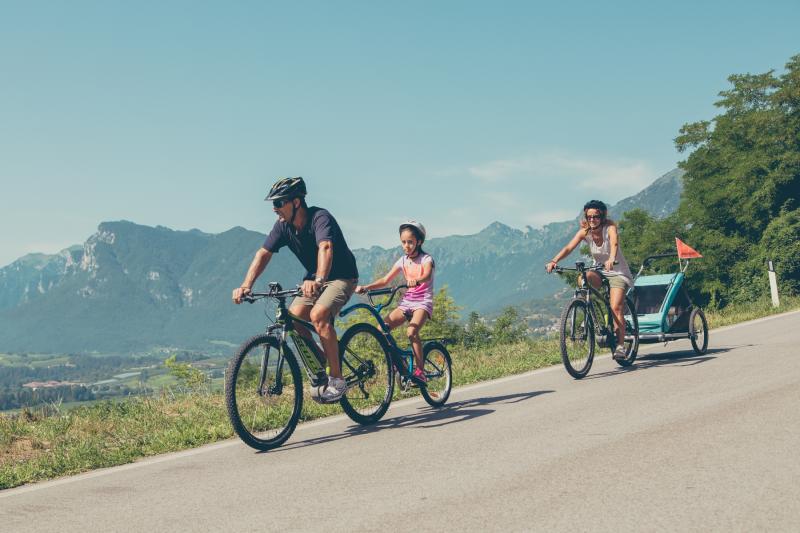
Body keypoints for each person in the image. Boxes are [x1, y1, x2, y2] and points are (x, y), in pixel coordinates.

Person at [232, 177, 359, 402]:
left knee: (318, 315)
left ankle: (337, 380)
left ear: (297, 202)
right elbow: (263, 254)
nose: (275, 209)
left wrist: (319, 279)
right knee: (294, 318)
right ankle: (320, 362)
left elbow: (326, 247)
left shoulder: (320, 218)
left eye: (280, 203)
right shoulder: (283, 227)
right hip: (313, 280)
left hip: (341, 277)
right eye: (274, 204)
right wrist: (246, 285)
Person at [545, 200, 633, 361]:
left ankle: (620, 346)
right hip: (599, 270)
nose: (592, 219)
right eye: (589, 216)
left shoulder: (610, 229)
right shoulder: (584, 232)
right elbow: (568, 248)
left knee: (615, 308)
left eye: (596, 216)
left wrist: (611, 258)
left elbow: (614, 243)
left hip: (617, 272)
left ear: (602, 217)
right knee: (583, 278)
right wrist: (554, 260)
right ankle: (587, 307)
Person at [355, 221, 434, 383]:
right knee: (381, 330)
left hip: (422, 302)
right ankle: (399, 362)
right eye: (403, 242)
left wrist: (416, 280)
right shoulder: (402, 261)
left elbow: (427, 275)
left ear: (419, 241)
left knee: (411, 332)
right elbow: (385, 280)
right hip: (407, 302)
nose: (406, 246)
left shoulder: (427, 259)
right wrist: (366, 287)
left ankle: (420, 371)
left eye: (410, 242)